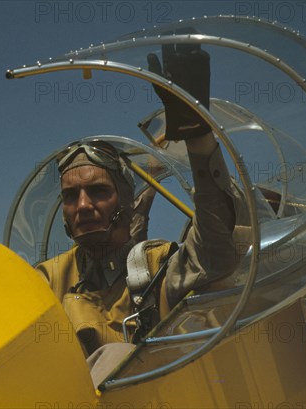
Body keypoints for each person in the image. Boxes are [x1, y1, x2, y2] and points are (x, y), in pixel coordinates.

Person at [35, 42, 248, 384]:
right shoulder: (47, 280)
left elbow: (218, 248)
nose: (84, 206)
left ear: (126, 202)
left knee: (120, 357)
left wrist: (198, 137)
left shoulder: (159, 266)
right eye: (71, 196)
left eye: (99, 192)